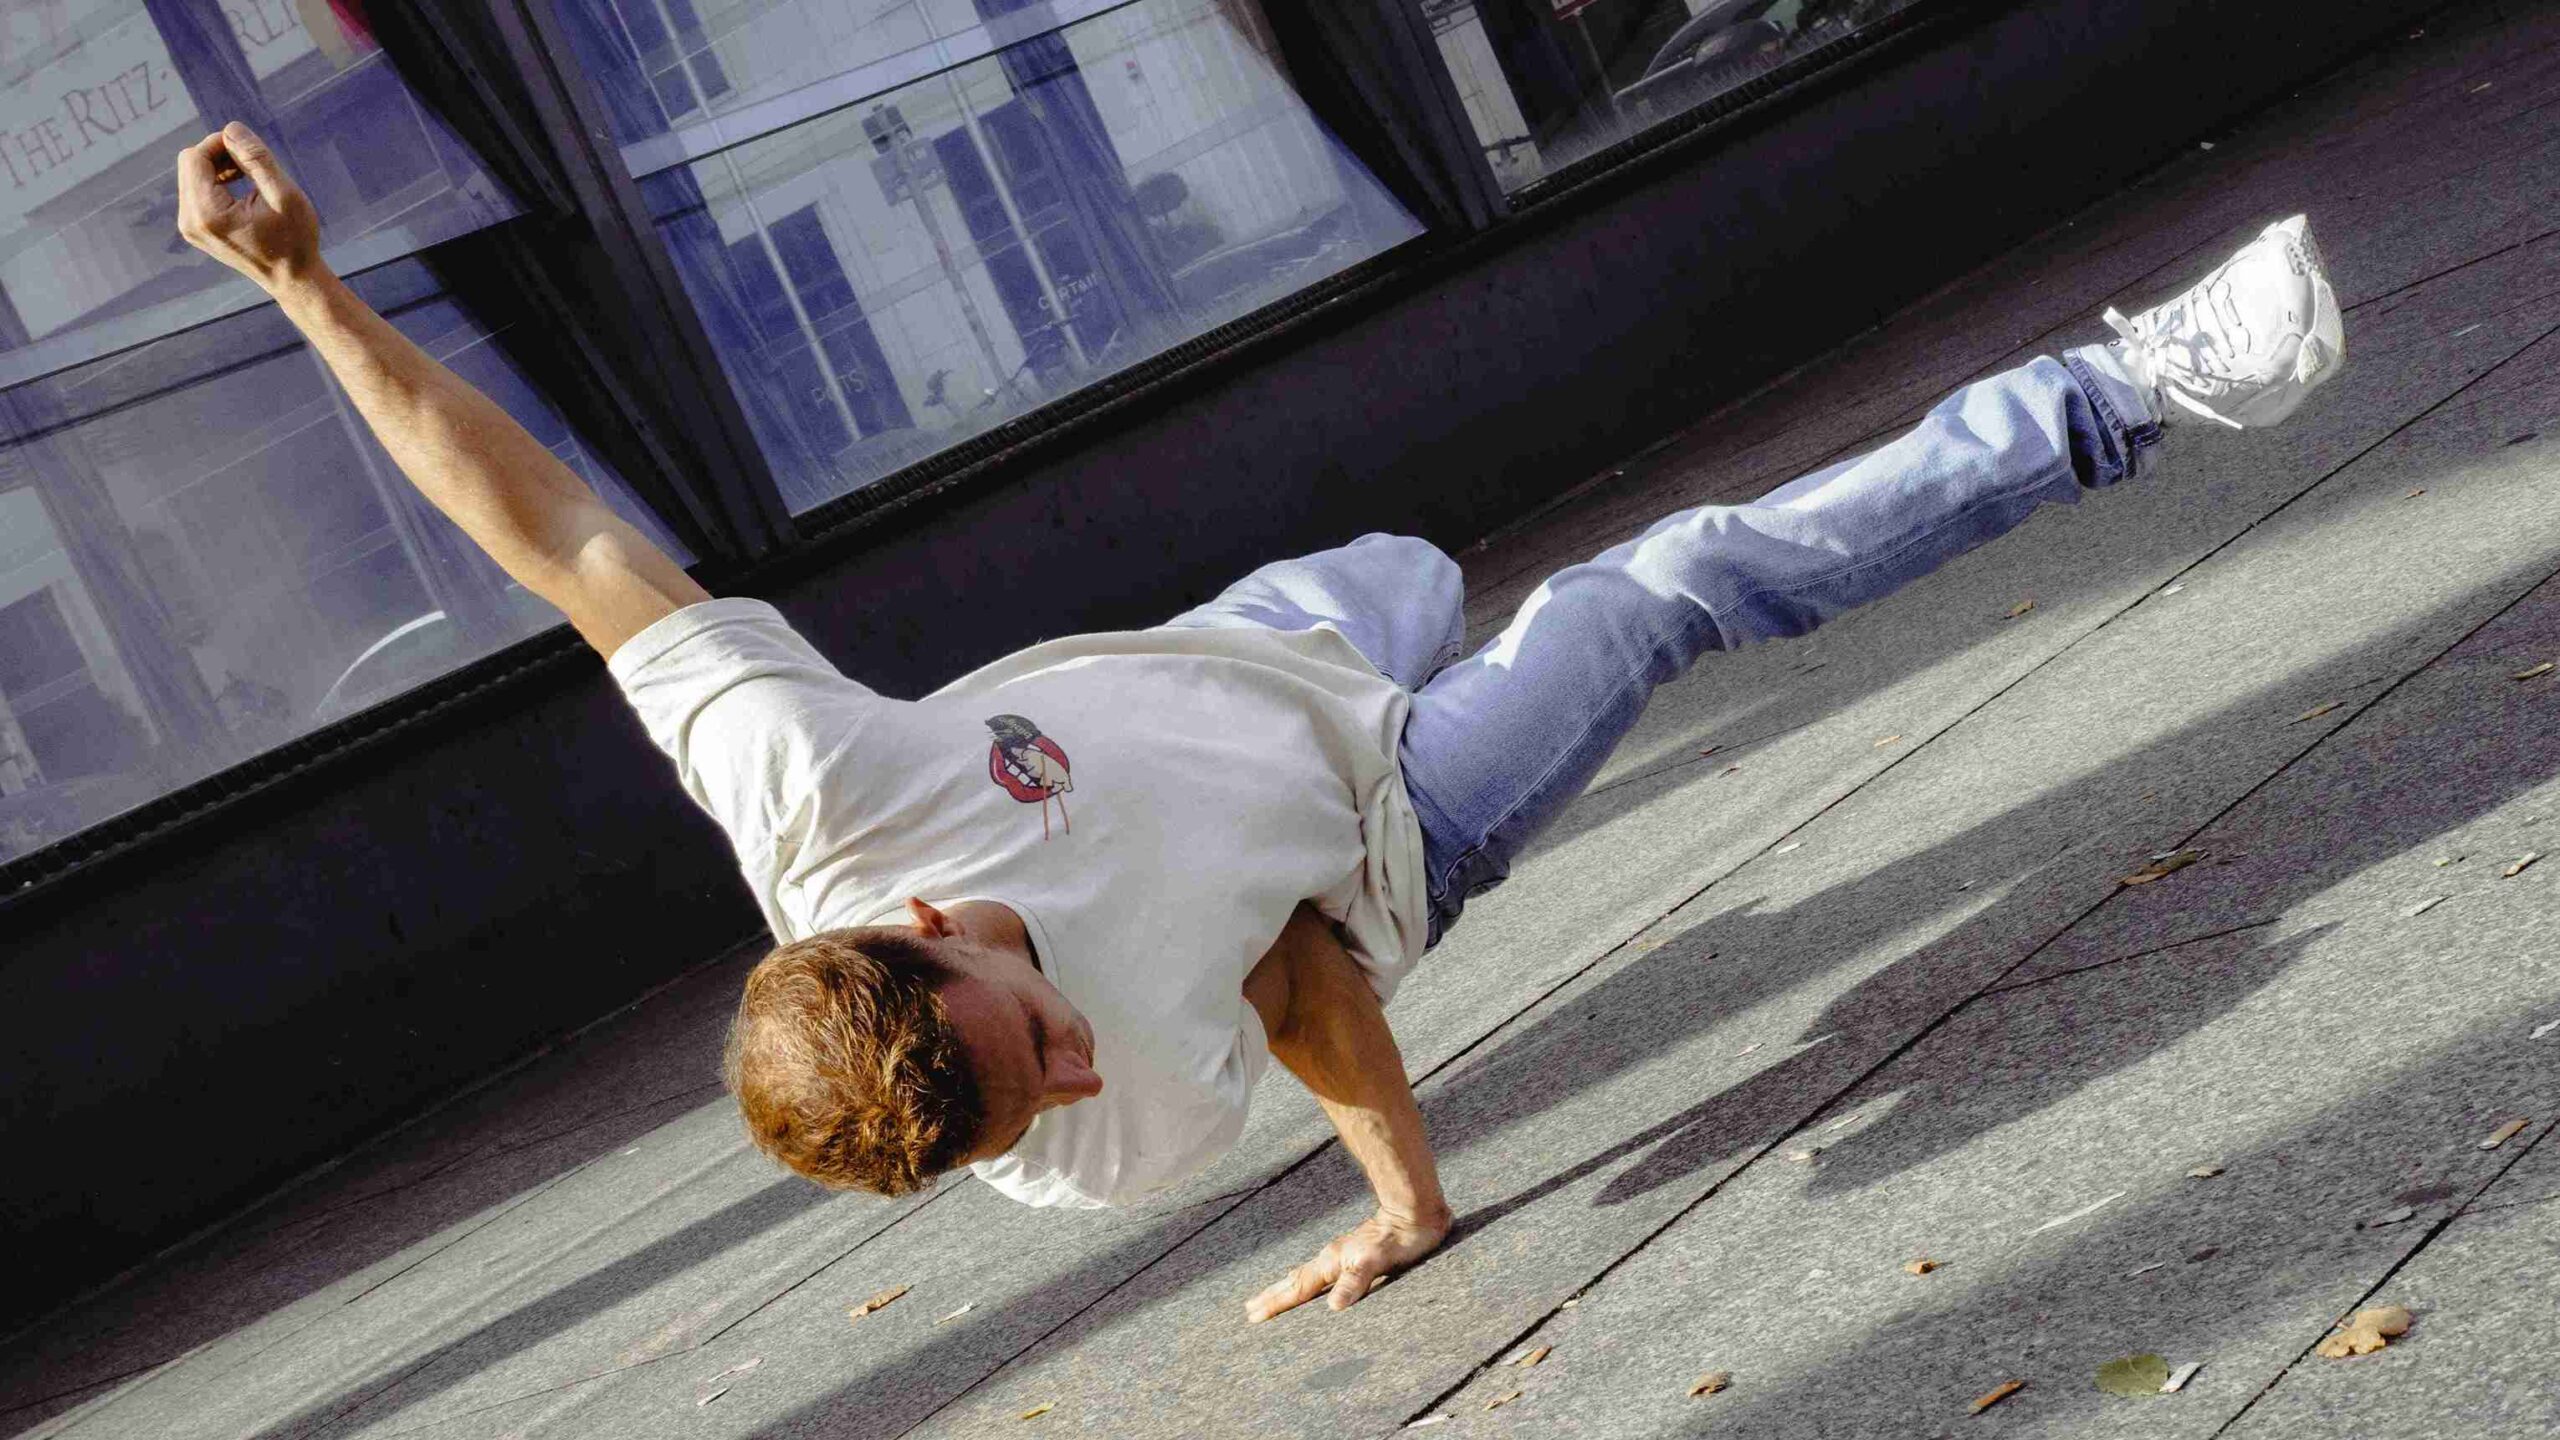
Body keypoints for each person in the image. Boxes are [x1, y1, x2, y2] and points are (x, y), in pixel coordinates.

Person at [176, 119, 2343, 1325]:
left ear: (925, 922)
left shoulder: (803, 780)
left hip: (1251, 658)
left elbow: (559, 538)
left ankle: (1392, 626)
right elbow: (1302, 995)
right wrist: (1407, 1202)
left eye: (1038, 1042)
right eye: (1043, 1106)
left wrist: (306, 290)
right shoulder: (1087, 1149)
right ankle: (2135, 389)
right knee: (1647, 590)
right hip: (1377, 838)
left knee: (1406, 563)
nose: (1087, 1073)